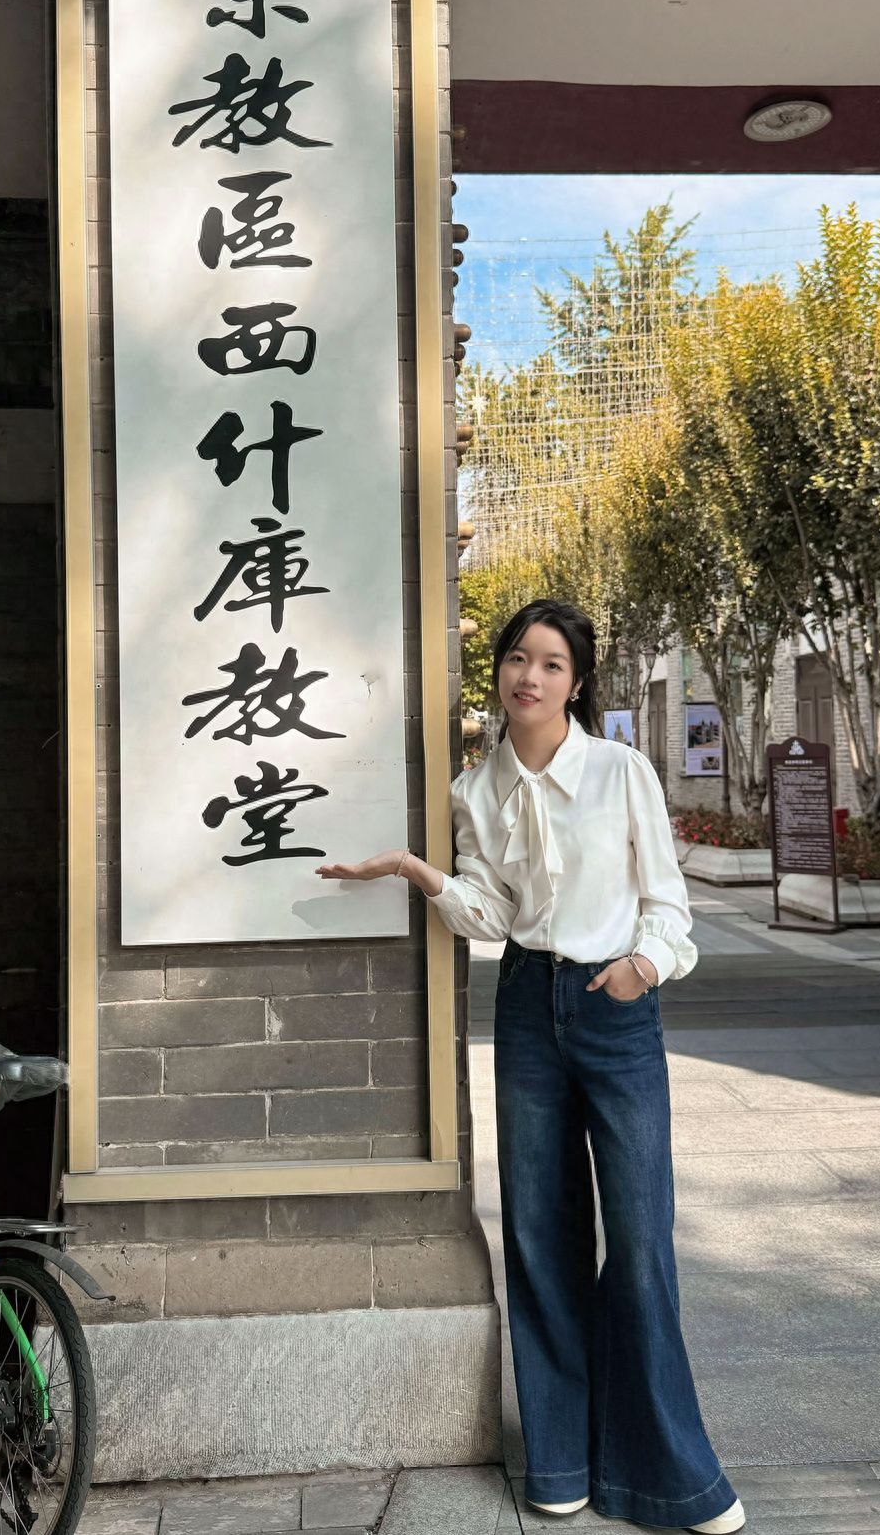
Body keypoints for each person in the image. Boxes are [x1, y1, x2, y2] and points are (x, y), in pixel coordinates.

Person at [317, 599, 744, 1532]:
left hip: (615, 1007)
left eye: (551, 664)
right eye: (518, 659)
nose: (530, 677)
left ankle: (667, 1472)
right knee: (541, 1235)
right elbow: (492, 912)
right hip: (525, 1004)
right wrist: (418, 873)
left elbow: (669, 904)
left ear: (577, 682)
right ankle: (559, 1455)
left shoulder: (621, 772)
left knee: (637, 1238)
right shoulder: (478, 790)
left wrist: (643, 965)